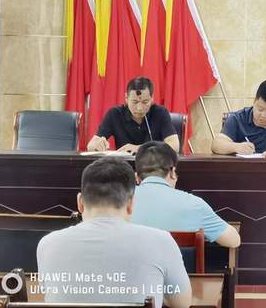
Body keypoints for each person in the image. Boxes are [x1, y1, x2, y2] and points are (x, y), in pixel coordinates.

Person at [36, 157, 191, 307]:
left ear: (80, 203)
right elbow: (182, 303)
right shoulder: (161, 241)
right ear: (131, 204)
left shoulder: (48, 244)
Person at [132, 141, 241, 248]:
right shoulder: (194, 204)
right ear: (173, 172)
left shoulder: (122, 201)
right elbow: (233, 241)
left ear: (136, 177)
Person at [87, 77, 179, 154]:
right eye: (134, 102)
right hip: (124, 166)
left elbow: (174, 146)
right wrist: (97, 145)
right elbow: (91, 146)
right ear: (126, 98)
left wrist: (140, 148)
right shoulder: (115, 114)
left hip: (152, 166)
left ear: (152, 99)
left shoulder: (160, 113)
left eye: (145, 102)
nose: (139, 108)